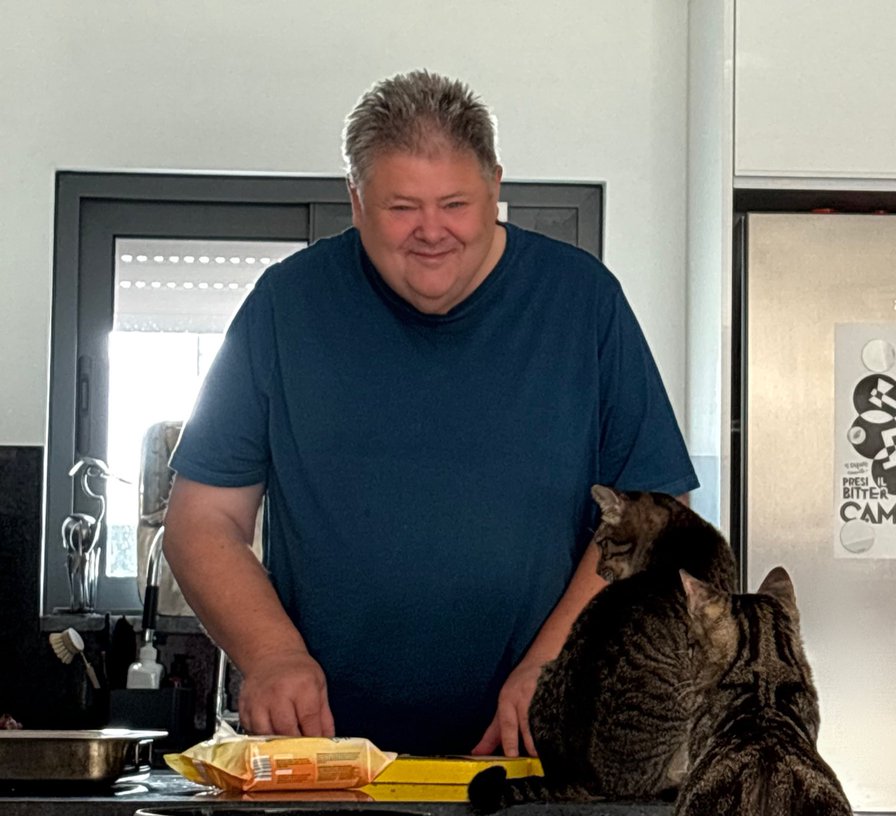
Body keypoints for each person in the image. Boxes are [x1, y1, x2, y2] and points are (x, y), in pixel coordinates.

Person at [163, 69, 698, 758]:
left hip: (534, 751)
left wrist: (555, 664)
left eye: (454, 203)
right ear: (354, 201)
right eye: (401, 207)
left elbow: (653, 512)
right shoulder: (285, 306)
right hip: (332, 760)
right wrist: (270, 655)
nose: (431, 232)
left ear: (496, 188)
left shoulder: (584, 302)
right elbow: (202, 520)